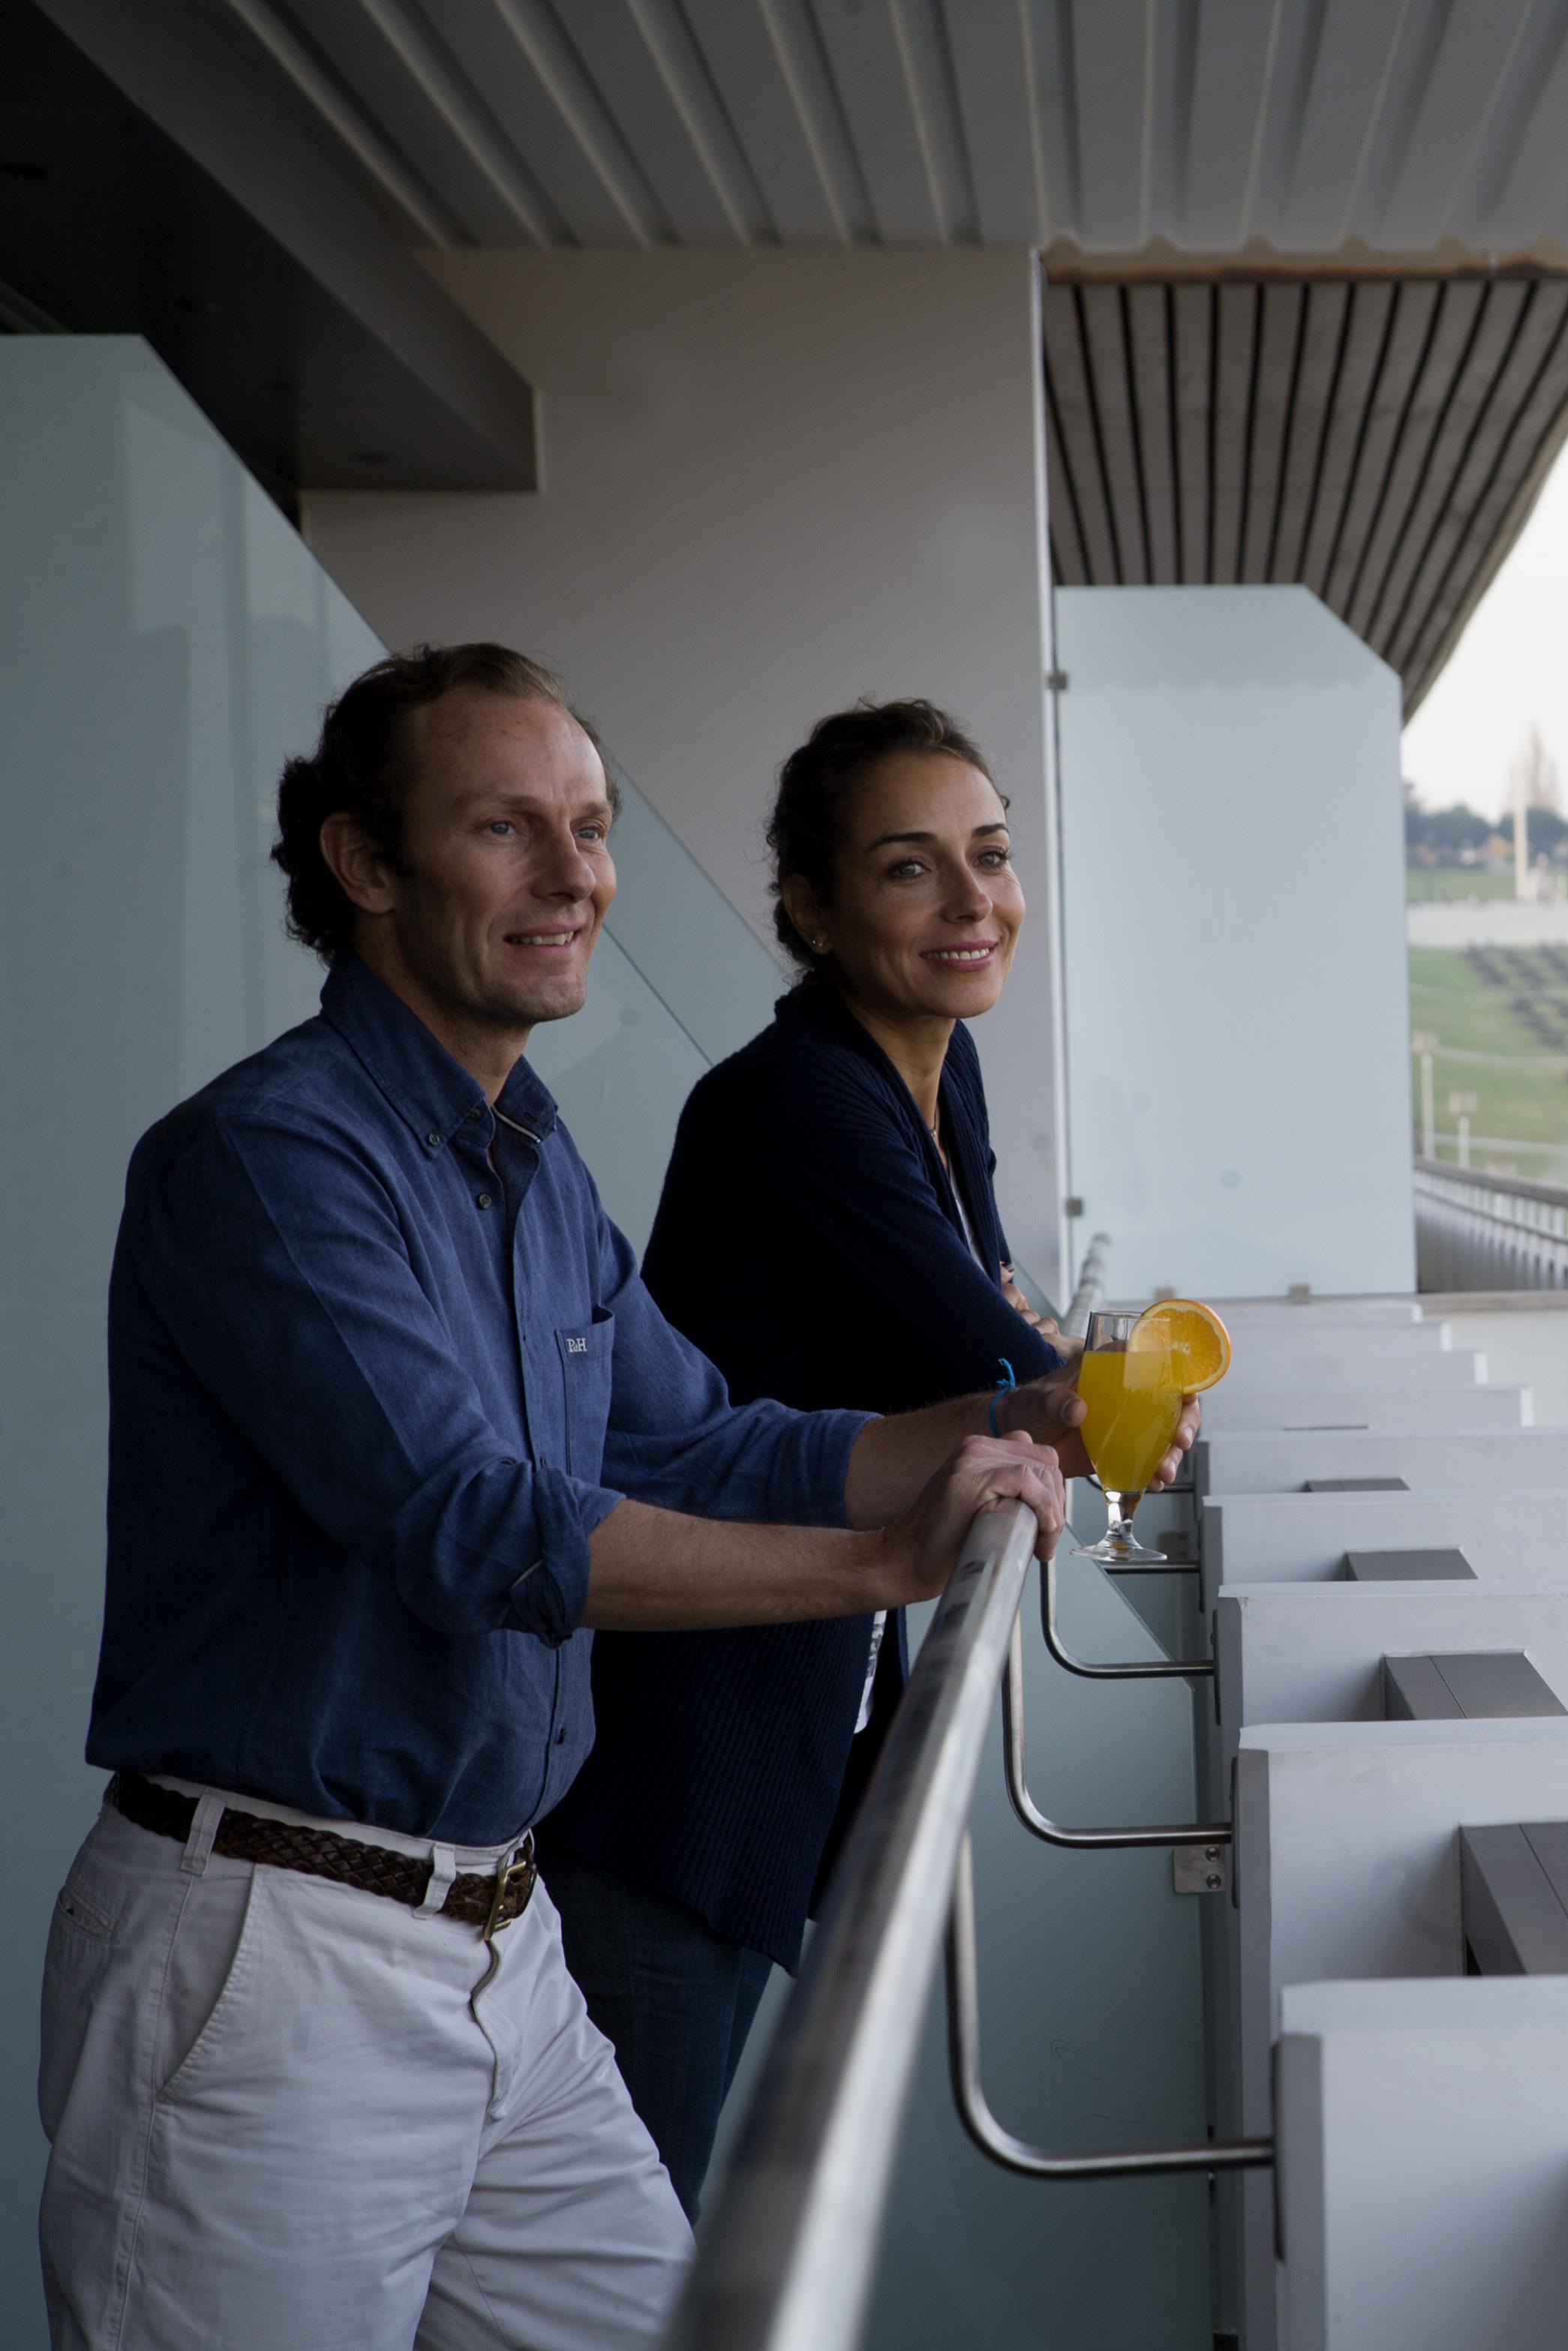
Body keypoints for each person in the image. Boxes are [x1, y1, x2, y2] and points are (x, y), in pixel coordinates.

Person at [39, 646, 1119, 2349]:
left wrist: (1017, 1415)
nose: (574, 875)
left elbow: (698, 1437)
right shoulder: (266, 1158)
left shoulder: (526, 1152)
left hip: (498, 1932)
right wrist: (877, 1562)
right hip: (277, 1959)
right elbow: (470, 1523)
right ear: (367, 865)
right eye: (507, 827)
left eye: (593, 826)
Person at [539, 700, 1106, 2209]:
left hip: (792, 1713)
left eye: (989, 856)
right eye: (912, 868)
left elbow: (994, 1306)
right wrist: (1095, 1383)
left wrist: (1052, 1368)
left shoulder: (931, 1066)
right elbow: (996, 1360)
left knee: (670, 2203)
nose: (974, 901)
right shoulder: (796, 1101)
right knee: (642, 2232)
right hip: (680, 1759)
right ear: (812, 906)